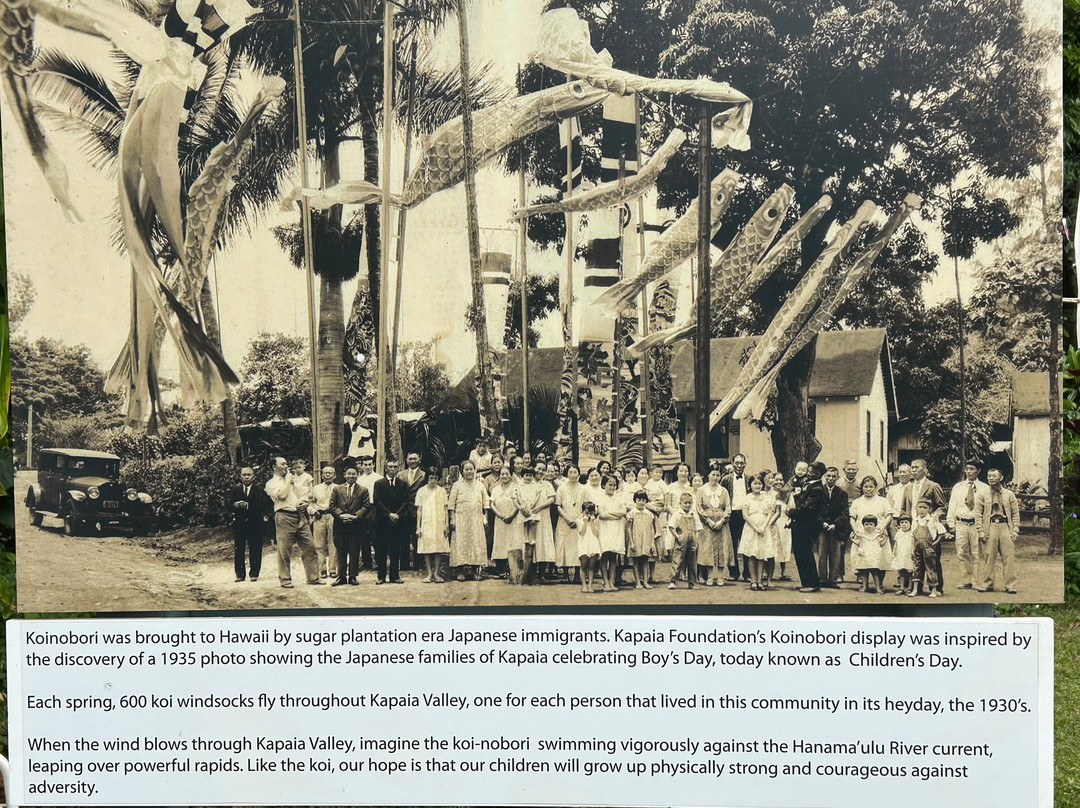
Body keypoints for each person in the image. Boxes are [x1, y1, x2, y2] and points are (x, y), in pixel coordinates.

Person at [264, 457, 321, 588]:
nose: (286, 466)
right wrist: (289, 480)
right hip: (284, 516)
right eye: (283, 464)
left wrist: (305, 503)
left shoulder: (295, 480)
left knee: (310, 546)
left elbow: (304, 495)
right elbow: (282, 496)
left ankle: (313, 577)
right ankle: (285, 579)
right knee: (284, 549)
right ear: (274, 466)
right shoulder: (271, 483)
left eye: (286, 463)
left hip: (300, 514)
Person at [902, 458, 947, 594]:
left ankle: (936, 588)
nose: (913, 470)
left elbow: (942, 507)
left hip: (929, 527)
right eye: (912, 467)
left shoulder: (933, 486)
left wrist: (933, 520)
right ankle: (917, 587)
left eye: (916, 467)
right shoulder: (908, 488)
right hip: (914, 526)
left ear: (924, 469)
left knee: (932, 557)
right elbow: (904, 509)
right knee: (916, 558)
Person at [947, 459, 990, 590]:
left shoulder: (984, 488)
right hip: (961, 523)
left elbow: (987, 510)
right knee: (962, 552)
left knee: (977, 554)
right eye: (967, 469)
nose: (969, 472)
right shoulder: (958, 487)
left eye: (972, 469)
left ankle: (977, 581)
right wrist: (951, 523)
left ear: (978, 471)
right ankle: (965, 579)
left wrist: (984, 527)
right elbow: (952, 505)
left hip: (976, 524)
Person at [975, 468, 1020, 595]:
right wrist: (980, 531)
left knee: (1008, 557)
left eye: (994, 476)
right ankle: (986, 584)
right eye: (989, 476)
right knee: (988, 556)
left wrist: (1015, 529)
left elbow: (1015, 513)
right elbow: (978, 514)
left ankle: (1010, 585)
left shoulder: (1009, 494)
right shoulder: (981, 494)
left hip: (1005, 526)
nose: (990, 478)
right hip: (989, 527)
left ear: (1001, 477)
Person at [848, 476, 893, 594]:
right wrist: (855, 530)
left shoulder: (882, 501)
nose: (868, 489)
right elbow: (852, 518)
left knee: (880, 558)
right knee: (863, 559)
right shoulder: (857, 502)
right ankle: (864, 584)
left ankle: (880, 584)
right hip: (862, 535)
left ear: (875, 487)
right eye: (866, 486)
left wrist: (883, 527)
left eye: (871, 487)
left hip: (878, 534)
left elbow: (889, 515)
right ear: (862, 488)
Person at [448, 460, 490, 582]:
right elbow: (451, 504)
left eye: (471, 469)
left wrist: (485, 517)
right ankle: (460, 570)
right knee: (461, 543)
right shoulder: (457, 485)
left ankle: (475, 570)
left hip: (476, 519)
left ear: (474, 470)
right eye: (466, 469)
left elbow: (486, 502)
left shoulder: (480, 485)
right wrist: (452, 519)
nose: (469, 471)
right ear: (462, 471)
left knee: (476, 542)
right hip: (461, 519)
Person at [787, 461, 825, 593]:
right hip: (800, 524)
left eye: (811, 471)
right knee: (800, 554)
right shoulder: (809, 484)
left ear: (818, 473)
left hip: (806, 526)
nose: (808, 473)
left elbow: (807, 509)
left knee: (805, 554)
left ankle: (812, 583)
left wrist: (791, 512)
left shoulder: (817, 489)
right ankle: (805, 582)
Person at [329, 466, 370, 586]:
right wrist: (341, 515)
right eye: (349, 474)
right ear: (345, 475)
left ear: (357, 475)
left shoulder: (363, 490)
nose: (351, 476)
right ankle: (341, 576)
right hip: (340, 525)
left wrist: (356, 516)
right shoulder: (337, 489)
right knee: (341, 551)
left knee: (354, 551)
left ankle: (353, 576)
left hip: (356, 525)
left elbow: (366, 506)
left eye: (354, 474)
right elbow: (332, 506)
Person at [373, 459, 411, 584]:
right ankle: (381, 576)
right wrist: (389, 514)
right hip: (383, 521)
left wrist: (397, 515)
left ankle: (395, 576)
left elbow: (406, 501)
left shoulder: (403, 484)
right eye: (390, 467)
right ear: (386, 468)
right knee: (381, 550)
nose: (393, 469)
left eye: (395, 466)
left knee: (395, 549)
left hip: (398, 522)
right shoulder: (379, 483)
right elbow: (377, 501)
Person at [740, 473, 778, 591]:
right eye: (755, 483)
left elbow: (770, 513)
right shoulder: (747, 498)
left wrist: (763, 526)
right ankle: (753, 580)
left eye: (760, 483)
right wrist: (755, 527)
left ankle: (761, 580)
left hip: (763, 528)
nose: (757, 486)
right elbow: (745, 515)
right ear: (750, 485)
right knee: (752, 554)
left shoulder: (767, 498)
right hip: (751, 527)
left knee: (761, 555)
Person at [229, 467, 267, 582]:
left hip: (255, 523)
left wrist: (248, 506)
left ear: (253, 477)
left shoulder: (259, 490)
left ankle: (254, 573)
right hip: (240, 523)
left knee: (255, 547)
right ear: (240, 477)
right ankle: (240, 574)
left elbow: (263, 506)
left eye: (249, 475)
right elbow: (227, 505)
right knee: (239, 548)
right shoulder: (235, 490)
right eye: (244, 475)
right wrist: (235, 505)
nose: (246, 477)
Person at [695, 468, 732, 587]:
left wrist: (722, 521)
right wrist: (708, 521)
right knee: (708, 548)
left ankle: (720, 576)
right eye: (713, 474)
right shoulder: (701, 490)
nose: (715, 477)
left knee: (721, 548)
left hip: (721, 524)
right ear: (708, 475)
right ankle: (710, 576)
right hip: (708, 524)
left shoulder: (724, 491)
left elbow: (728, 507)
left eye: (717, 475)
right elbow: (699, 507)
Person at [415, 467, 449, 583]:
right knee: (427, 548)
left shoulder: (442, 491)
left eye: (435, 478)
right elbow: (419, 510)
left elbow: (445, 509)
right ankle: (429, 573)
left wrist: (446, 525)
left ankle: (436, 573)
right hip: (427, 523)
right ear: (427, 478)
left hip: (439, 522)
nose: (433, 480)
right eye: (431, 478)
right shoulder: (421, 491)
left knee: (438, 548)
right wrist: (418, 527)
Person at [817, 466, 850, 588]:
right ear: (825, 477)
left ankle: (833, 580)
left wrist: (835, 524)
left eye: (833, 476)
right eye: (828, 476)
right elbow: (815, 511)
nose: (830, 478)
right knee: (822, 553)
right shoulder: (819, 491)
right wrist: (823, 523)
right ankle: (822, 579)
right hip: (822, 527)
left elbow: (845, 512)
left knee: (836, 554)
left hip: (836, 528)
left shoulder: (842, 493)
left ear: (837, 477)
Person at [596, 474, 627, 592]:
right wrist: (615, 515)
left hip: (616, 529)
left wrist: (610, 513)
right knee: (605, 555)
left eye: (614, 485)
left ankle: (612, 581)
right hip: (605, 529)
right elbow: (602, 515)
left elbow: (623, 511)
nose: (612, 487)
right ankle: (605, 582)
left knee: (614, 556)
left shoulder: (619, 498)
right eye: (610, 484)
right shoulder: (600, 498)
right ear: (604, 485)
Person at [721, 453, 750, 582]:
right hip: (732, 514)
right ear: (733, 464)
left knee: (746, 543)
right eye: (737, 462)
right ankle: (734, 573)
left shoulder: (750, 479)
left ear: (745, 464)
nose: (739, 465)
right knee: (732, 544)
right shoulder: (726, 479)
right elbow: (721, 495)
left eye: (741, 463)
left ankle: (748, 573)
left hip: (746, 515)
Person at [554, 466, 585, 579]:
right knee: (564, 546)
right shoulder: (561, 488)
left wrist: (577, 520)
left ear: (578, 474)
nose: (572, 475)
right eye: (570, 472)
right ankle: (566, 574)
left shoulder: (583, 489)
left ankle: (577, 575)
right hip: (564, 521)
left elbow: (586, 506)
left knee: (577, 547)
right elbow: (558, 506)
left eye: (575, 472)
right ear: (567, 474)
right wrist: (567, 519)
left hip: (578, 521)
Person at [397, 452, 426, 571]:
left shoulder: (424, 475)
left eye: (415, 459)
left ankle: (417, 564)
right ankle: (404, 564)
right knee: (403, 537)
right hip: (403, 510)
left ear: (419, 460)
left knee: (417, 537)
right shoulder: (401, 474)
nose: (413, 461)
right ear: (407, 460)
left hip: (417, 509)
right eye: (410, 459)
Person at [308, 465, 338, 579]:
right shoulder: (316, 488)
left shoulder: (338, 488)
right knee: (319, 544)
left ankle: (332, 569)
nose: (328, 475)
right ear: (322, 475)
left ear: (334, 475)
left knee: (333, 543)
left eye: (330, 472)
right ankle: (322, 569)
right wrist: (313, 511)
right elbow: (309, 503)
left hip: (332, 516)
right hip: (319, 516)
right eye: (325, 473)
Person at [625, 490, 657, 589]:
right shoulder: (632, 513)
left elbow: (652, 530)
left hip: (646, 539)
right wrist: (631, 542)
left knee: (645, 560)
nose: (641, 502)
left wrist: (652, 543)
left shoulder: (649, 514)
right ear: (635, 500)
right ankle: (637, 582)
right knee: (636, 561)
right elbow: (629, 528)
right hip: (636, 539)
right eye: (639, 499)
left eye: (643, 500)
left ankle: (646, 582)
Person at [668, 492, 698, 590]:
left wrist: (696, 540)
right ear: (680, 503)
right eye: (685, 503)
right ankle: (673, 581)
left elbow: (698, 528)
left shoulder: (693, 514)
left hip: (692, 540)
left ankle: (692, 582)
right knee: (677, 560)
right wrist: (677, 537)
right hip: (681, 540)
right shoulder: (677, 514)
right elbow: (671, 527)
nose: (687, 505)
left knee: (692, 562)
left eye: (689, 503)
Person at [356, 456, 380, 571]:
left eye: (370, 464)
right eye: (365, 465)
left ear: (374, 465)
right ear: (361, 465)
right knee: (364, 536)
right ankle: (366, 562)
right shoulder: (359, 479)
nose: (368, 467)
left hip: (375, 508)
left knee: (376, 536)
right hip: (363, 508)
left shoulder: (379, 478)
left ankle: (380, 561)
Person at [770, 471, 793, 582]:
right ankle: (768, 572)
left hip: (784, 521)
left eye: (781, 480)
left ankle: (783, 572)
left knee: (784, 546)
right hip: (772, 521)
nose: (779, 482)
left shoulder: (787, 494)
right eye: (776, 479)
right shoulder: (769, 494)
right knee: (772, 545)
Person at [577, 500, 602, 593]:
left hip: (593, 544)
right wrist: (584, 522)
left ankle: (590, 585)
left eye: (591, 513)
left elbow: (596, 534)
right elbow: (581, 533)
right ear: (582, 512)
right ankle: (584, 585)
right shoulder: (579, 521)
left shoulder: (595, 521)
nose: (588, 515)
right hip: (583, 544)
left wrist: (591, 523)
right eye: (586, 512)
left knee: (591, 566)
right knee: (583, 564)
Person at [891, 514, 915, 595]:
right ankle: (901, 587)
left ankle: (909, 588)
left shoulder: (911, 533)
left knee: (910, 572)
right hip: (900, 554)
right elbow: (896, 544)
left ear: (910, 524)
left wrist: (913, 552)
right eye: (902, 522)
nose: (904, 524)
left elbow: (913, 544)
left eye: (906, 522)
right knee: (901, 571)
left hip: (908, 555)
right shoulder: (898, 533)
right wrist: (894, 552)